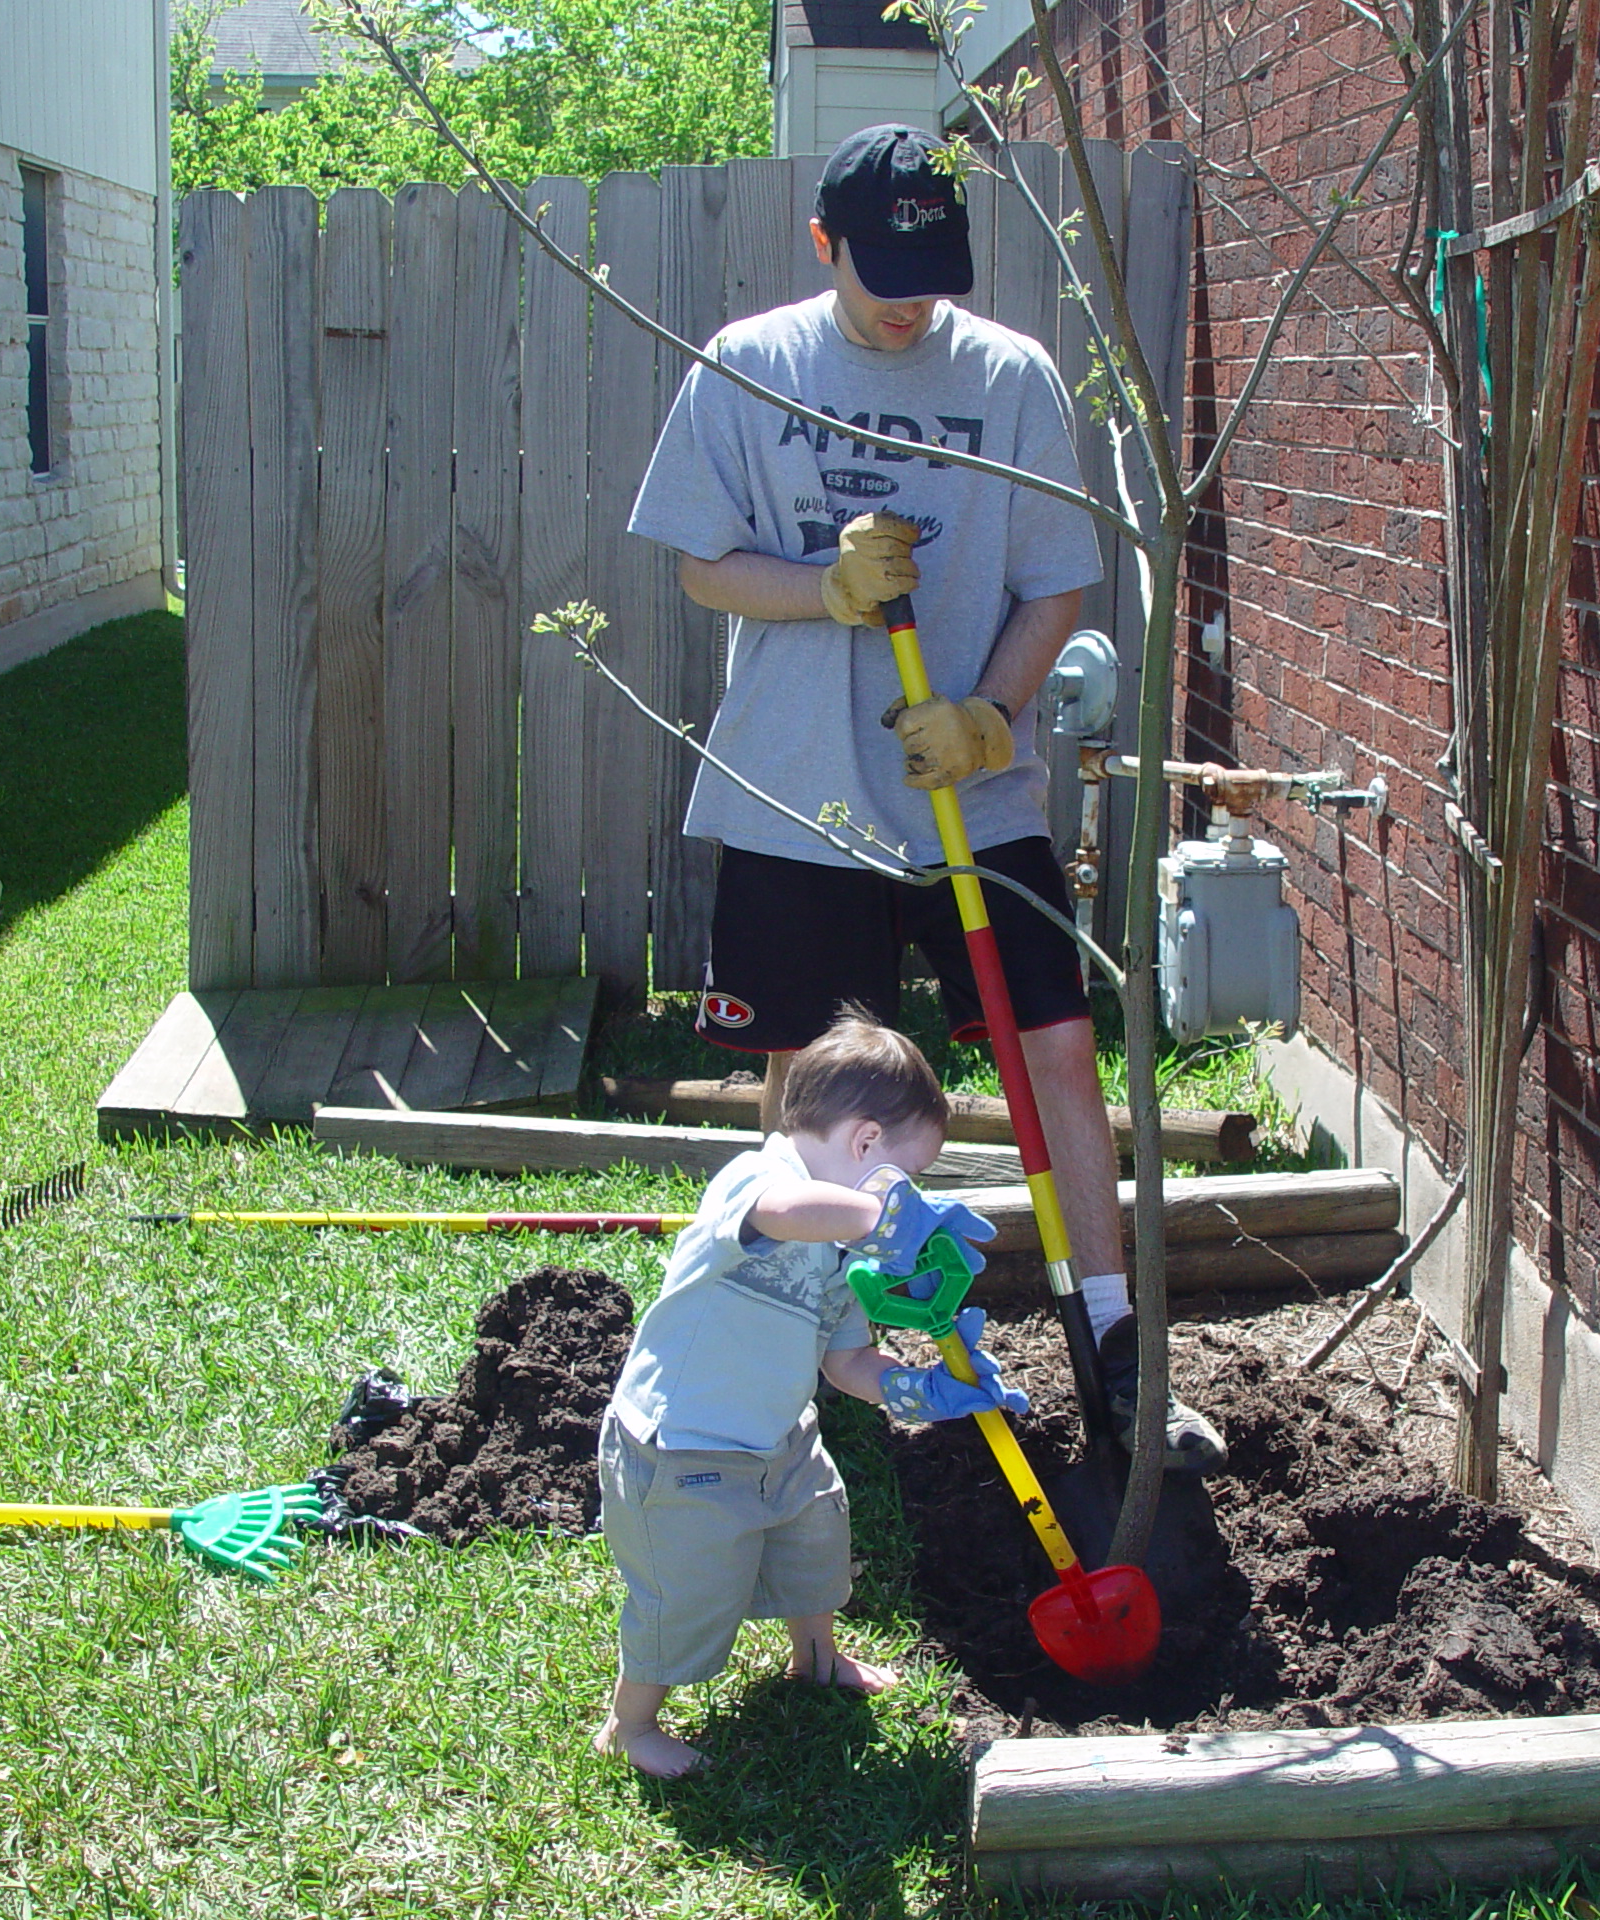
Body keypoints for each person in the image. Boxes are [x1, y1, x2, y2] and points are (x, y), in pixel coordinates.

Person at [627, 121, 1225, 1474]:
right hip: (799, 796)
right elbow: (703, 568)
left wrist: (993, 716)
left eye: (934, 271)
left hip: (975, 793)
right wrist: (825, 589)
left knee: (1055, 1050)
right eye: (884, 267)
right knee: (807, 1081)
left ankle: (1117, 1351)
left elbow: (1054, 579)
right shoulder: (750, 367)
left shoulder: (1010, 377)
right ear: (824, 244)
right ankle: (804, 1348)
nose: (911, 298)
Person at [593, 1012, 1018, 1777]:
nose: (907, 1199)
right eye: (908, 1179)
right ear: (863, 1145)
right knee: (686, 1598)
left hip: (779, 1438)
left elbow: (845, 1360)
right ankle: (633, 1723)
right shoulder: (762, 1180)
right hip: (680, 1450)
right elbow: (783, 1216)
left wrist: (919, 1389)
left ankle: (816, 1656)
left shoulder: (852, 1248)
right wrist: (886, 1220)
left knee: (815, 1545)